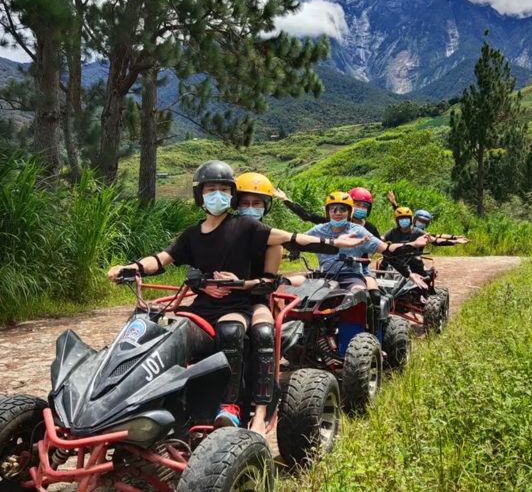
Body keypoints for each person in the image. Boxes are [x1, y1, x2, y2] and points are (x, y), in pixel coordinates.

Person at [107, 161, 363, 436]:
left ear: (231, 195)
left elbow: (294, 238)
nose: (217, 194)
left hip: (244, 303)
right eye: (210, 189)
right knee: (162, 332)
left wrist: (334, 243)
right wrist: (132, 267)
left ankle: (240, 407)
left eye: (223, 189)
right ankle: (145, 401)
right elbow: (161, 259)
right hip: (203, 306)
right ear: (200, 195)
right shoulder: (191, 235)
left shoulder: (246, 228)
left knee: (250, 331)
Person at [303, 191, 430, 345]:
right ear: (328, 211)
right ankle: (306, 339)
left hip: (355, 272)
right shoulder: (319, 229)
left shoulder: (361, 231)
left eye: (342, 209)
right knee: (299, 295)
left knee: (365, 296)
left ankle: (374, 338)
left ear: (349, 211)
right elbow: (297, 240)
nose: (337, 213)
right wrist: (293, 249)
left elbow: (388, 251)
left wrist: (411, 251)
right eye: (333, 209)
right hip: (324, 276)